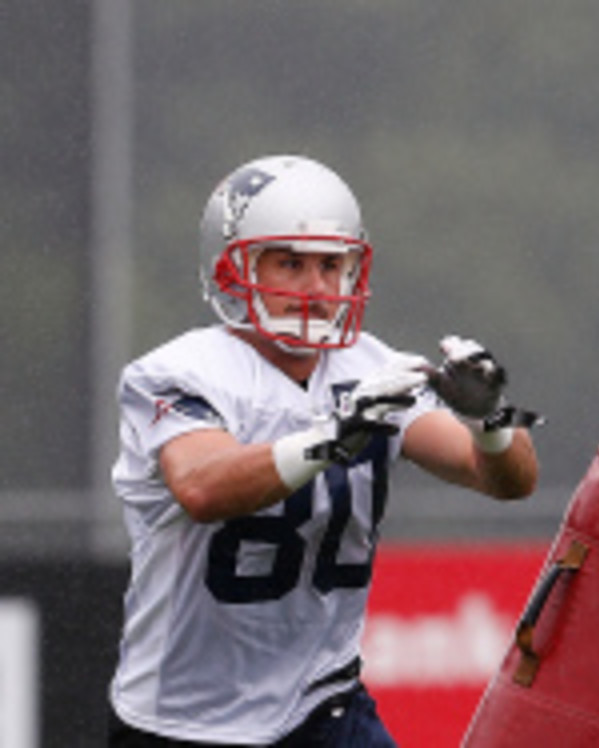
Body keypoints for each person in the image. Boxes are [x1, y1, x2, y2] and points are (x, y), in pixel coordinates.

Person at [106, 154, 540, 746]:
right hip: (186, 721)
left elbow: (505, 480)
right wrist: (331, 436)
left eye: (331, 265)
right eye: (289, 264)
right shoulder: (177, 373)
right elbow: (202, 487)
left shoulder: (372, 366)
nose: (315, 288)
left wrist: (491, 417)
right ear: (233, 269)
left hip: (323, 705)